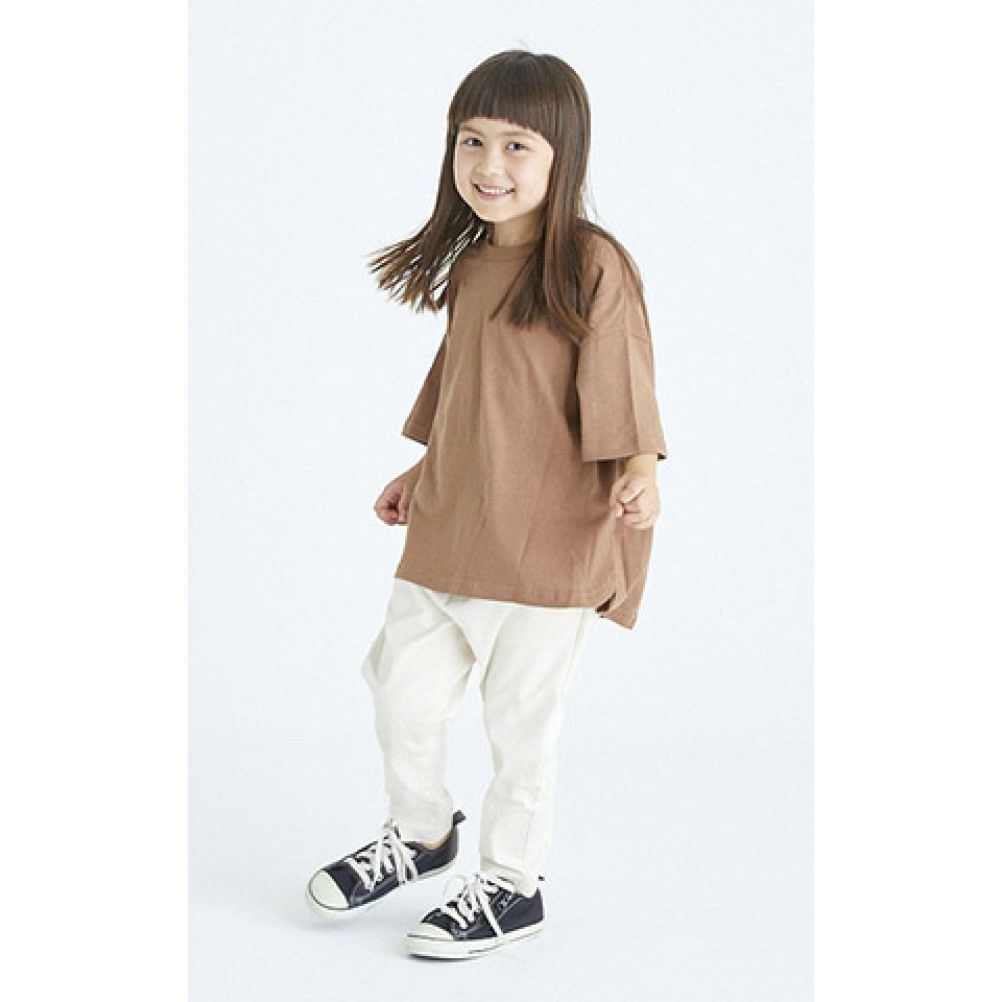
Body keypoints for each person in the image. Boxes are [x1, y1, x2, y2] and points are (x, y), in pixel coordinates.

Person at [306, 48, 667, 960]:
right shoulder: (472, 269)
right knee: (400, 690)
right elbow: (470, 385)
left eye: (516, 144)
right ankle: (422, 833)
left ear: (562, 156)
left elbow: (624, 375)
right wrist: (423, 467)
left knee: (520, 727)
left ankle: (512, 884)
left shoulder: (591, 263)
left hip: (549, 543)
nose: (489, 164)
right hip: (454, 523)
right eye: (472, 141)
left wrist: (640, 466)